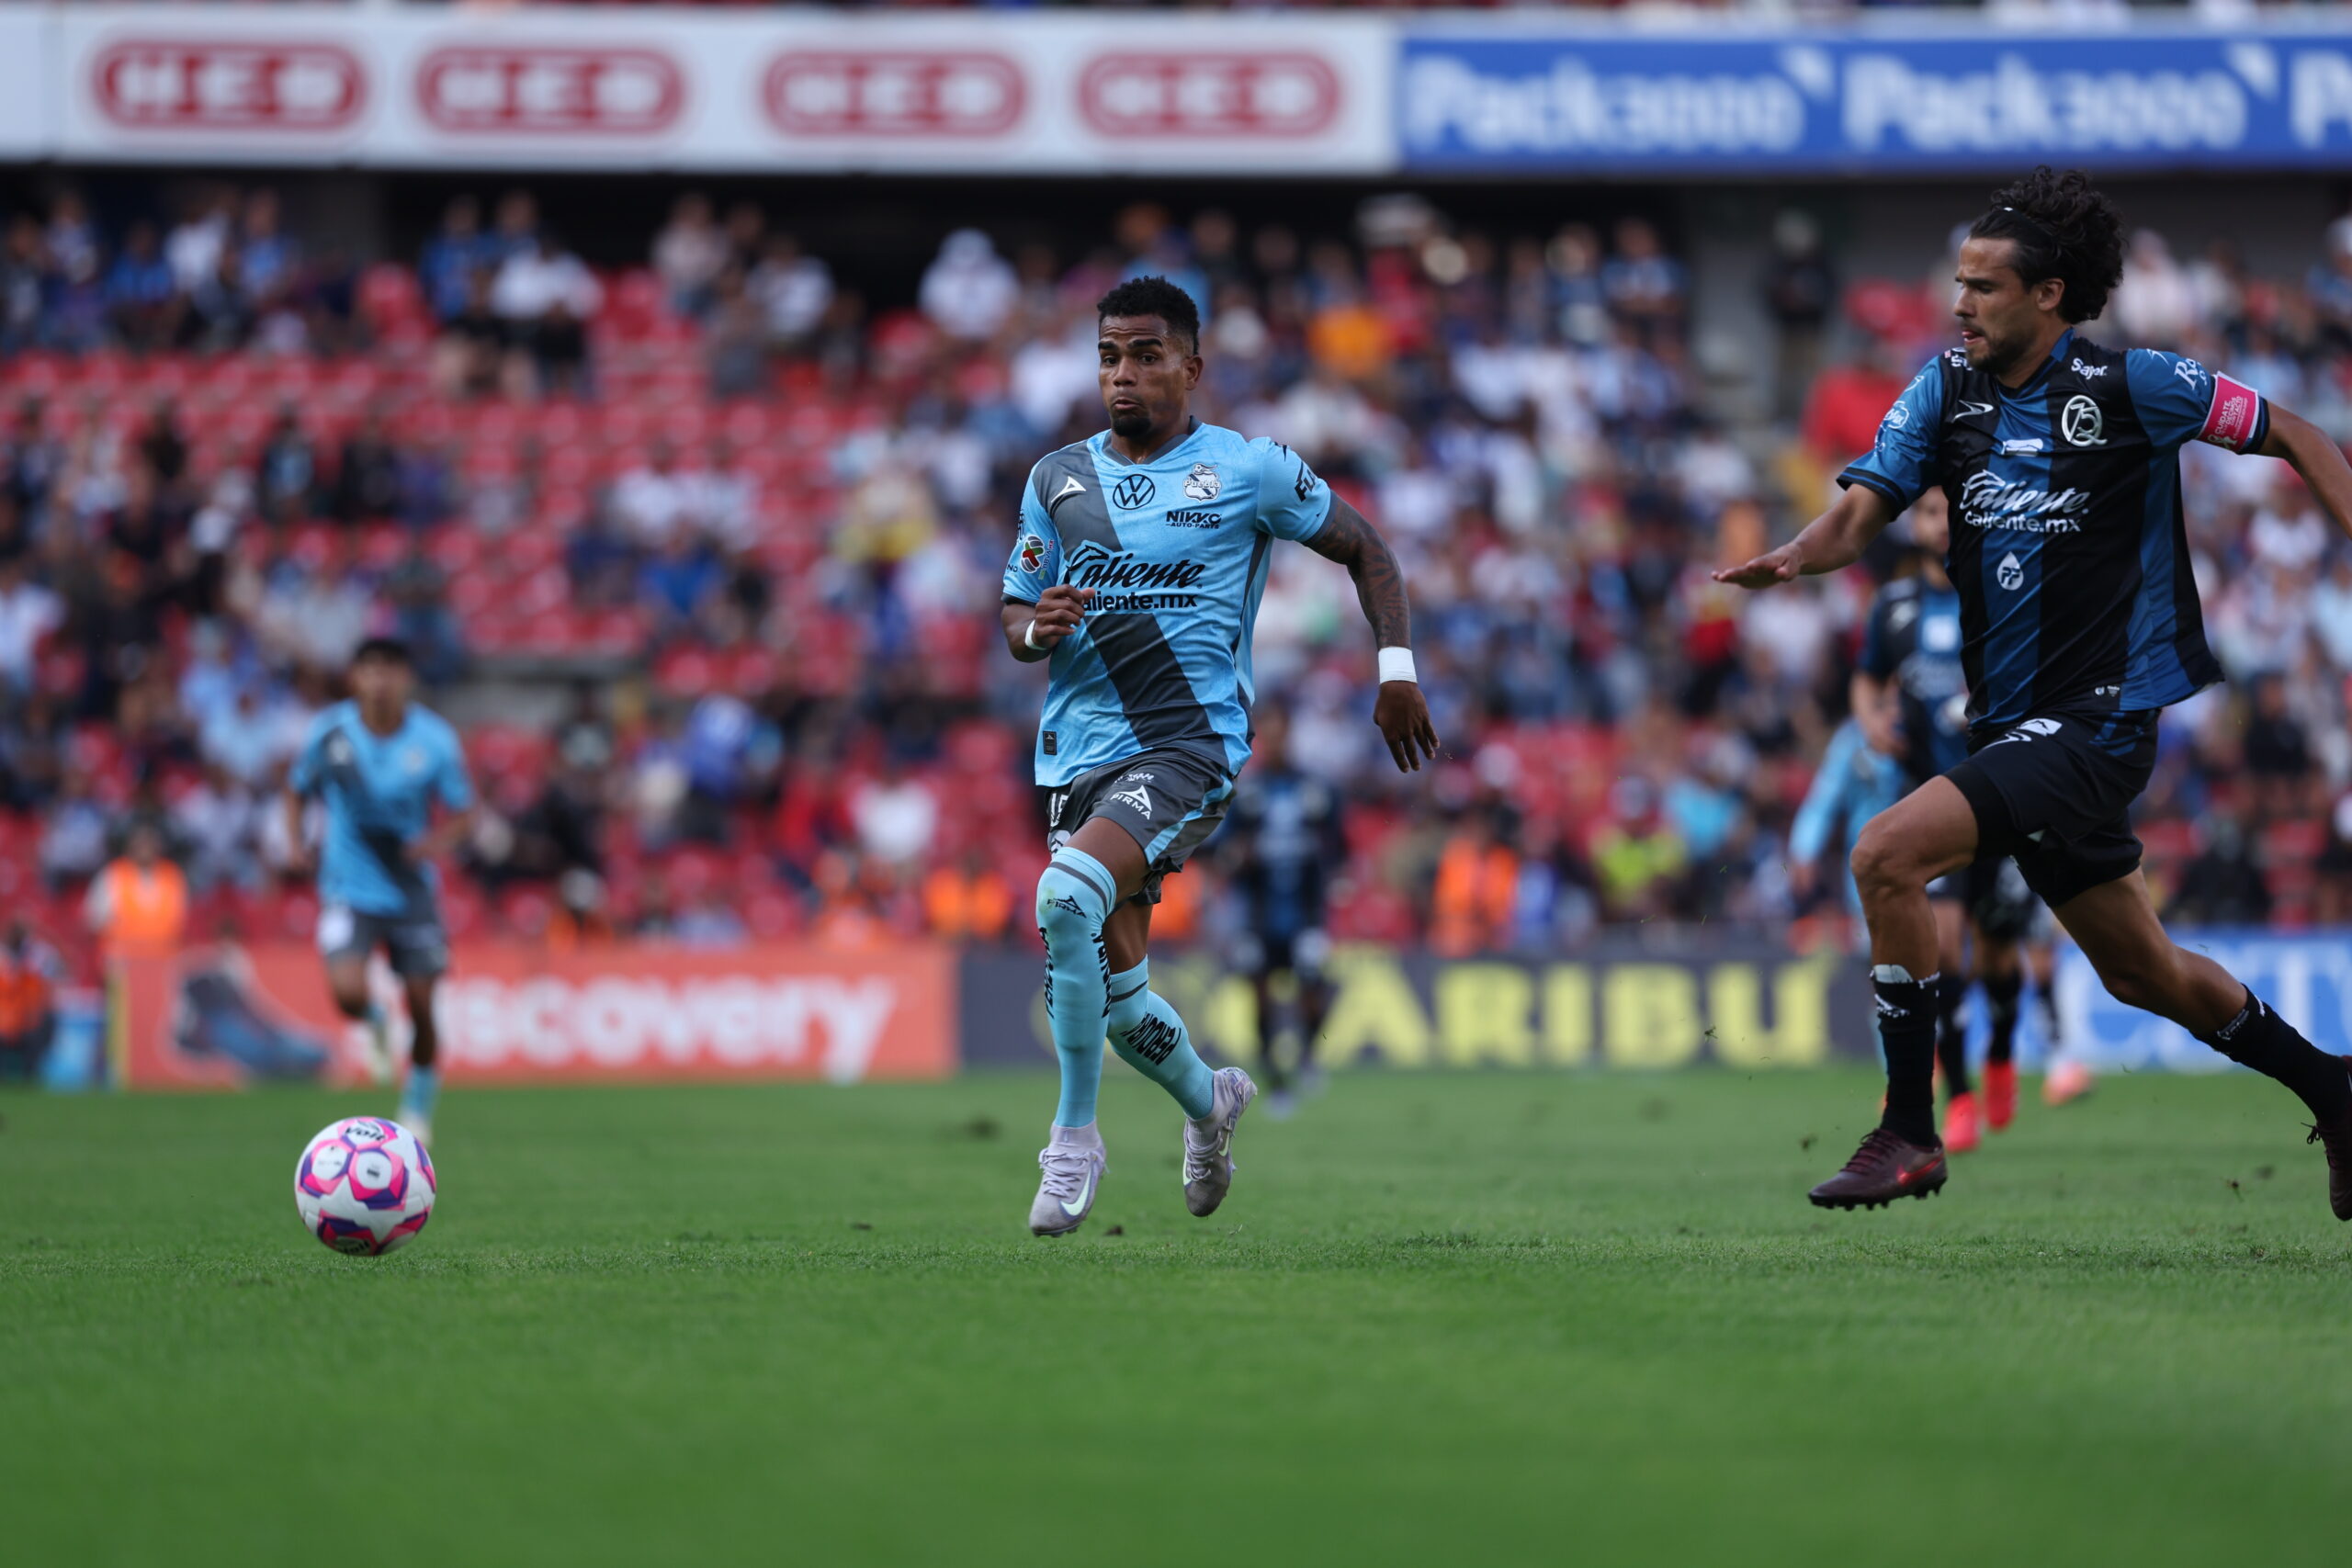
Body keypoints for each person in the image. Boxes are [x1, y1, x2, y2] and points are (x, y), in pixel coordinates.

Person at [1718, 166, 2352, 1215]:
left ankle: (1909, 1131)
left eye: (1984, 285)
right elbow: (1858, 516)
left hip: (2101, 720)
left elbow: (2300, 433)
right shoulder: (1942, 392)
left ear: (2048, 293)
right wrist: (1792, 557)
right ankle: (2332, 1085)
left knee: (1882, 854)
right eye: (1957, 282)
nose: (1959, 302)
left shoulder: (2133, 386)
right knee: (2143, 974)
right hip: (2013, 730)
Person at [1001, 275, 1437, 1236]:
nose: (1124, 375)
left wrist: (1395, 670)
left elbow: (1368, 549)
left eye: (1147, 355)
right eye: (1110, 355)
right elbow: (1013, 620)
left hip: (1187, 748)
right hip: (1077, 753)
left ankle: (1073, 1142)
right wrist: (1039, 630)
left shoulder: (1249, 471)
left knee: (1063, 896)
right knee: (1117, 998)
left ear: (1192, 367)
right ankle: (1211, 1104)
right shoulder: (1055, 480)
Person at [1849, 488, 2041, 1152]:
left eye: (1951, 512)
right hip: (1929, 802)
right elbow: (1867, 678)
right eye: (1929, 512)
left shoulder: (2003, 590)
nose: (1941, 524)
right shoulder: (1893, 606)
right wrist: (1873, 722)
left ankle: (2001, 1055)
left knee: (1997, 952)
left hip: (2004, 799)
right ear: (1917, 523)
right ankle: (1957, 1094)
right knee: (1945, 945)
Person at [284, 637, 477, 1145]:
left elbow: (464, 813)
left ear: (406, 678)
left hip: (410, 888)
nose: (381, 680)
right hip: (348, 886)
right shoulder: (330, 733)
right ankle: (371, 1019)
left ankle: (417, 1104)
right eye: (370, 669)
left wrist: (432, 843)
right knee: (347, 992)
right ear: (355, 678)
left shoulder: (434, 740)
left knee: (420, 1003)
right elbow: (296, 786)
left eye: (391, 670)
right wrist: (295, 840)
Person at [1217, 705, 1347, 1118]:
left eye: (1280, 734)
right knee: (1260, 997)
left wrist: (1329, 870)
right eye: (1267, 736)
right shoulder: (1248, 794)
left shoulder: (1316, 789)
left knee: (1312, 991)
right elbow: (1224, 851)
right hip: (1258, 912)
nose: (1274, 743)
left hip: (1306, 911)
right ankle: (1274, 1083)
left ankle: (1307, 1053)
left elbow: (1340, 845)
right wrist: (1239, 858)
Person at [0, 917, 63, 1083]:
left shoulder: (37, 955)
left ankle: (31, 1074)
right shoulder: (3, 956)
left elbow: (59, 970)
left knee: (44, 1024)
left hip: (30, 1018)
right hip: (6, 1018)